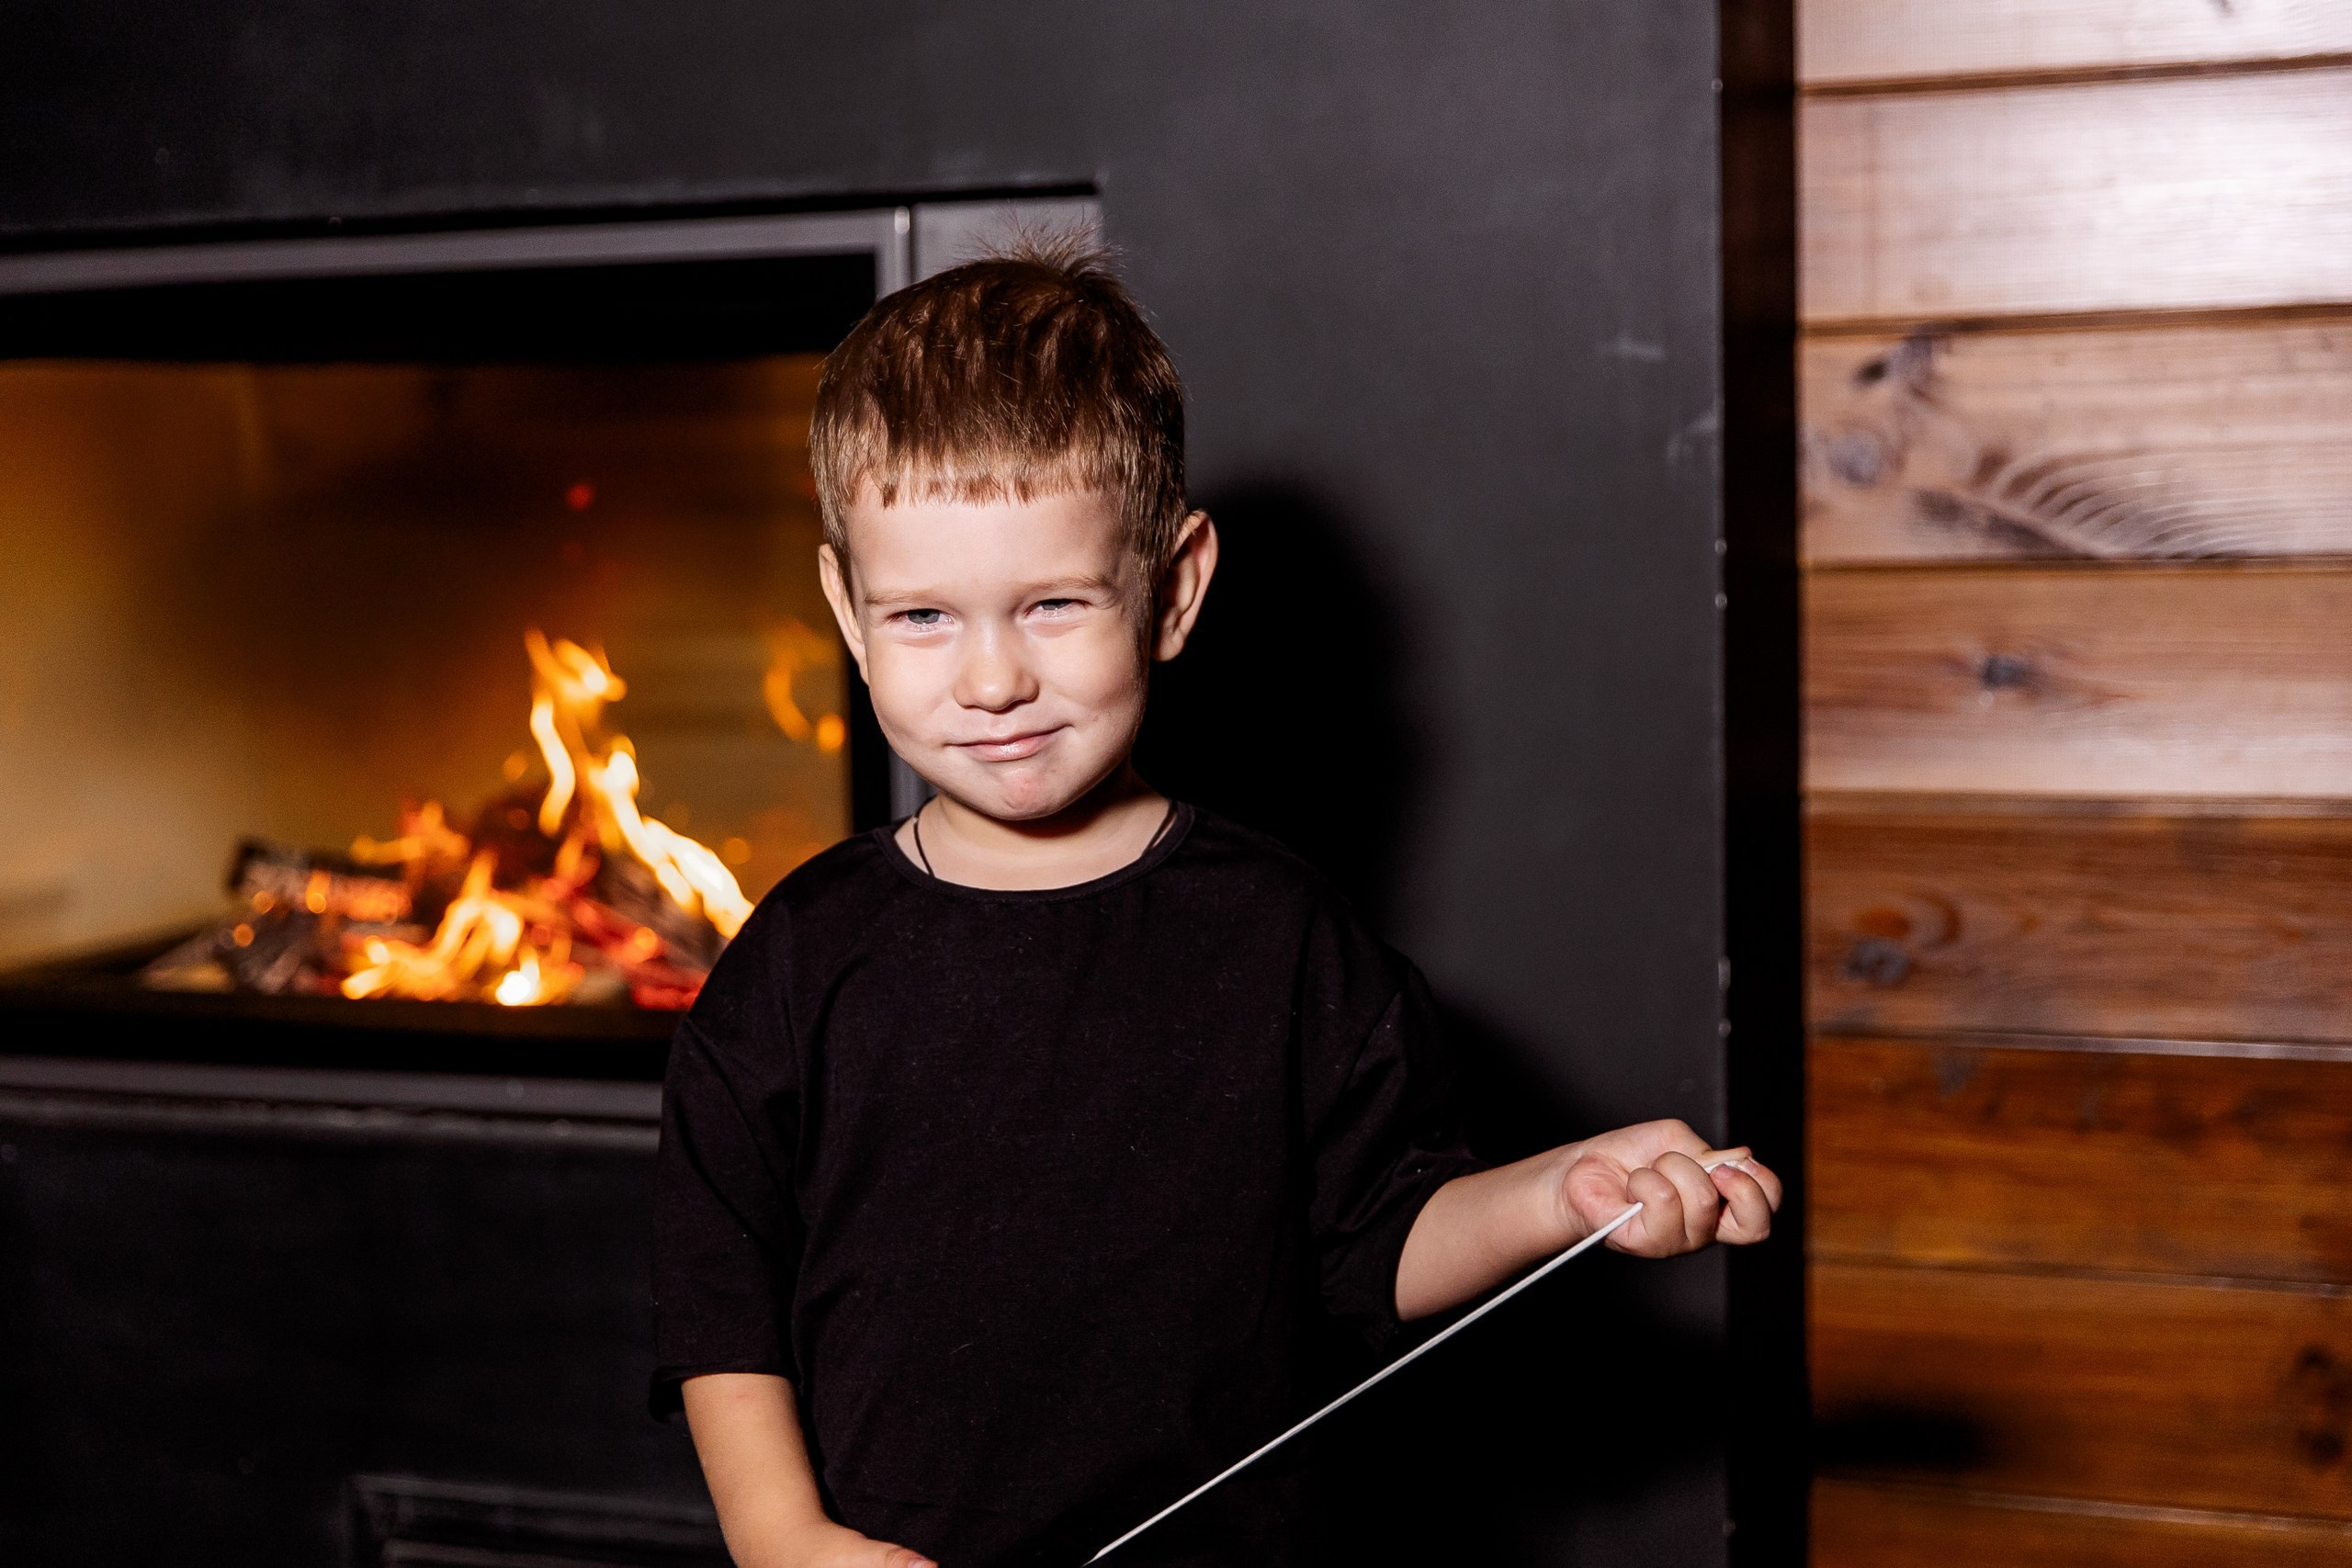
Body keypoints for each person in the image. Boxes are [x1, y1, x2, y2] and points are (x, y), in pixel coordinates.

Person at [650, 237, 1781, 1568]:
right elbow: (720, 1291)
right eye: (923, 619)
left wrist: (1563, 1197)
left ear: (1173, 590)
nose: (993, 677)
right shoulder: (799, 960)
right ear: (847, 611)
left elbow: (1379, 1246)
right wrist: (783, 1539)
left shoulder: (1284, 937)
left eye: (1055, 604)